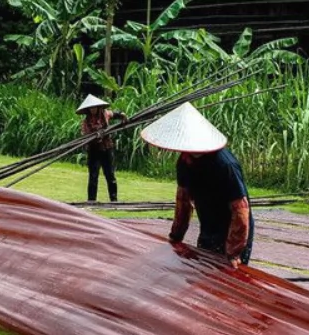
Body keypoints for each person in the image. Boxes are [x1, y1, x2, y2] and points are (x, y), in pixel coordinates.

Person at [140, 102, 254, 269]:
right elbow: (183, 202)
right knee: (204, 274)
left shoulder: (225, 165)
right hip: (208, 225)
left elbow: (240, 212)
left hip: (233, 229)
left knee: (228, 279)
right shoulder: (184, 163)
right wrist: (175, 237)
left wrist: (233, 252)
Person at [76, 94, 128, 202]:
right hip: (93, 150)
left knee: (110, 175)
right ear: (88, 109)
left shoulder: (105, 114)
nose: (93, 109)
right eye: (91, 108)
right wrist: (96, 136)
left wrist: (122, 115)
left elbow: (115, 114)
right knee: (93, 176)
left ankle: (114, 199)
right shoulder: (86, 122)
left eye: (94, 107)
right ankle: (91, 201)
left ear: (99, 107)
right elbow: (85, 135)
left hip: (106, 148)